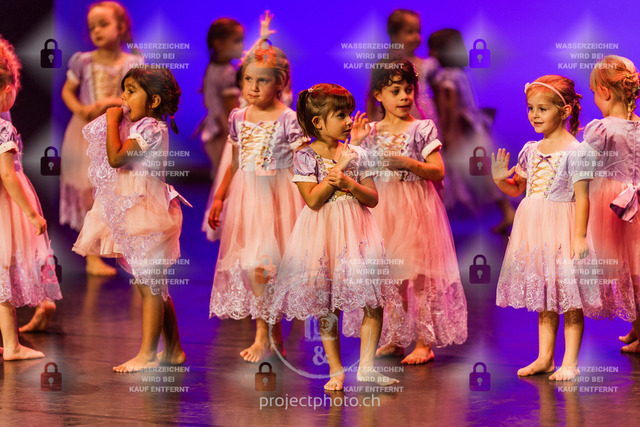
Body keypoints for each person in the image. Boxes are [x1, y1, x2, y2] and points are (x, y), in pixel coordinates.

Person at [267, 83, 400, 390]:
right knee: (328, 304)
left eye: (348, 114)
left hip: (357, 231)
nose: (349, 121)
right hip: (323, 233)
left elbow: (372, 198)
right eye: (340, 115)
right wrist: (336, 173)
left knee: (373, 300)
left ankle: (366, 367)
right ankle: (336, 369)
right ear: (318, 122)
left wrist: (351, 184)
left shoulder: (358, 153)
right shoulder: (304, 156)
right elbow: (312, 200)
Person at [352, 57, 467, 364]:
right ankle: (395, 338)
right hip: (382, 209)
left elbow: (438, 170)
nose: (404, 96)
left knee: (419, 278)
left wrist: (407, 163)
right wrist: (356, 144)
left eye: (408, 89)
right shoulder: (370, 131)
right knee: (391, 278)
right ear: (378, 95)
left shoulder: (421, 128)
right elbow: (354, 172)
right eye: (395, 91)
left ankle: (423, 343)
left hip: (415, 208)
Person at [73, 66, 187, 372]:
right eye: (123, 90)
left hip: (147, 213)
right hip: (135, 209)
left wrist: (112, 121)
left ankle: (148, 354)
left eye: (131, 91)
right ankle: (173, 350)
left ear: (153, 101)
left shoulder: (150, 128)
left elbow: (116, 158)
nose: (123, 97)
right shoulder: (141, 124)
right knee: (153, 286)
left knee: (150, 287)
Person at [492, 75, 601, 381]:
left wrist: (579, 237)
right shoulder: (531, 149)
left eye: (542, 109)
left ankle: (570, 362)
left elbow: (582, 198)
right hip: (535, 228)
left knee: (570, 299)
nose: (534, 115)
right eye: (530, 108)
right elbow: (518, 189)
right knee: (546, 295)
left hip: (563, 228)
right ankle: (544, 358)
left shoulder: (577, 151)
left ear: (565, 111)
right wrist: (500, 180)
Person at [207, 42, 305, 363]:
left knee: (271, 266)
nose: (253, 87)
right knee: (254, 265)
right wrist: (219, 197)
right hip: (248, 198)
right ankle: (266, 334)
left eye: (262, 80)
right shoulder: (239, 116)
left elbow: (303, 161)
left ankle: (270, 335)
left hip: (280, 197)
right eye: (248, 79)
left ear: (280, 82)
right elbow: (235, 162)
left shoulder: (289, 118)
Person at [60, 1, 143, 276]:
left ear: (121, 27)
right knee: (89, 192)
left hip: (119, 131)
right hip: (86, 133)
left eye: (103, 24)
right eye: (92, 26)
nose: (96, 31)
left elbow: (137, 97)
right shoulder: (83, 61)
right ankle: (93, 255)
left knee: (122, 191)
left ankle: (127, 252)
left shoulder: (133, 63)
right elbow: (68, 91)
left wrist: (109, 102)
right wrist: (81, 109)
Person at [0, 35, 62, 359]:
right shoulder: (4, 128)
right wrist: (31, 213)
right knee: (8, 268)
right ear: (7, 89)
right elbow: (7, 174)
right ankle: (12, 345)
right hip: (7, 204)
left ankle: (43, 304)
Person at [583, 55, 640, 351]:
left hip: (614, 207)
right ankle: (637, 328)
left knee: (624, 268)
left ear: (604, 91)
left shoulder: (602, 129)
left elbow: (583, 167)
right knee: (636, 269)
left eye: (594, 92)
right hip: (635, 202)